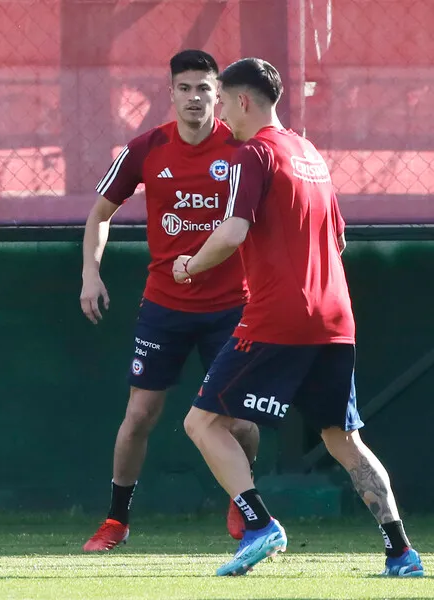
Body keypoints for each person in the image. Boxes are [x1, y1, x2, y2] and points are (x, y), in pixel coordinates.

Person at [172, 57, 424, 577]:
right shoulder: (310, 154)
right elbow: (340, 238)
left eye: (221, 101)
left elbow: (233, 233)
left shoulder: (253, 154)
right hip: (335, 318)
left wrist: (188, 266)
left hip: (281, 317)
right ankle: (402, 553)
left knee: (201, 422)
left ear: (243, 101)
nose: (219, 114)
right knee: (343, 438)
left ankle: (260, 525)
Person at [80, 49, 259, 551]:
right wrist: (90, 275)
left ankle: (243, 500)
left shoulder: (245, 146)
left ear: (219, 93)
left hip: (233, 306)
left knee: (241, 420)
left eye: (205, 88)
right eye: (185, 88)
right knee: (140, 415)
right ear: (171, 93)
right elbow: (100, 215)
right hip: (165, 305)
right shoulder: (145, 147)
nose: (195, 98)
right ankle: (116, 520)